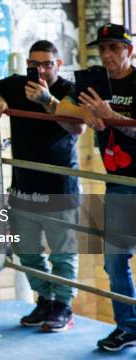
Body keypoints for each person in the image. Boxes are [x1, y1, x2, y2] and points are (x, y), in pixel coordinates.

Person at [0, 40, 84, 333]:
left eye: (47, 63)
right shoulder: (18, 84)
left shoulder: (69, 90)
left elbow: (77, 126)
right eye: (34, 64)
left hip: (60, 186)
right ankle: (45, 300)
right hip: (23, 187)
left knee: (63, 253)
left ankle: (63, 305)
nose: (41, 70)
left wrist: (47, 100)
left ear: (58, 64)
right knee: (28, 251)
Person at [57, 23, 136, 351]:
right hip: (118, 185)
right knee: (114, 260)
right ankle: (129, 327)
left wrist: (111, 114)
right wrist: (83, 114)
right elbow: (62, 111)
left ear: (129, 51)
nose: (107, 55)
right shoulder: (93, 80)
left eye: (114, 48)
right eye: (102, 49)